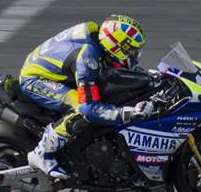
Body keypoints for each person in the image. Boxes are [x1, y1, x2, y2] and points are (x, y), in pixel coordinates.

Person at [20, 15, 156, 180]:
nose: (134, 55)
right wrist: (125, 114)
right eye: (130, 50)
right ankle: (42, 153)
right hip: (36, 79)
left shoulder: (98, 37)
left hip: (53, 67)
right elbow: (89, 109)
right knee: (80, 108)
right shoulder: (88, 60)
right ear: (115, 45)